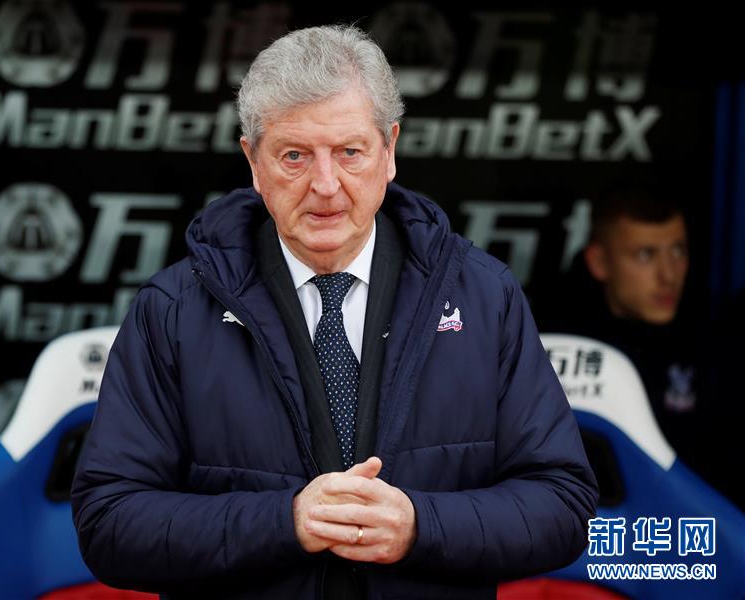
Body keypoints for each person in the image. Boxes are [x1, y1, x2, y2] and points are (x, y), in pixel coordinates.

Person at [71, 25, 597, 599]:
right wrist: (286, 521)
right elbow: (109, 524)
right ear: (253, 161)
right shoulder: (174, 311)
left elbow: (564, 504)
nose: (325, 185)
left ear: (389, 151)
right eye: (294, 156)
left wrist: (420, 526)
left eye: (350, 152)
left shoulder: (483, 296)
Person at [536, 184, 706, 479]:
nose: (669, 275)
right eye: (645, 255)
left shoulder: (711, 335)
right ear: (599, 262)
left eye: (678, 251)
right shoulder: (549, 343)